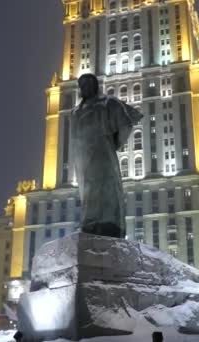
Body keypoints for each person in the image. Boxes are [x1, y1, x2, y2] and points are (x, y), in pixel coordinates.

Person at [70, 73, 143, 238]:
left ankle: (110, 223)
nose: (86, 88)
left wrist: (114, 143)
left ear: (95, 86)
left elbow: (125, 124)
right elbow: (74, 138)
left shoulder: (108, 103)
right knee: (88, 188)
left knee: (107, 186)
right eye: (82, 86)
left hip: (103, 150)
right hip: (84, 155)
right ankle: (90, 223)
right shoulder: (75, 112)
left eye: (89, 84)